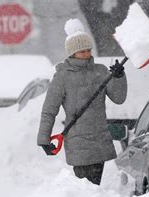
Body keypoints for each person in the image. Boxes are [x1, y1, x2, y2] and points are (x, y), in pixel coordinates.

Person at [37, 18, 127, 185]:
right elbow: (49, 110)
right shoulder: (62, 77)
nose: (86, 54)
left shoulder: (100, 71)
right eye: (81, 51)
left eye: (88, 50)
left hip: (99, 140)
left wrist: (119, 77)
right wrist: (44, 138)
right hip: (78, 142)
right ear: (72, 53)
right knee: (85, 187)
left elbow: (119, 98)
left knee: (94, 186)